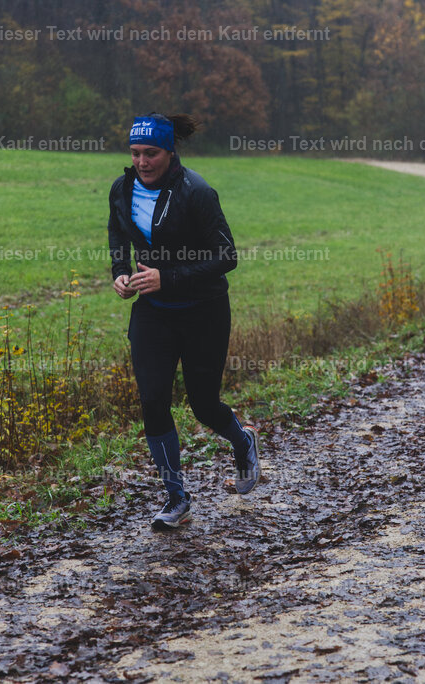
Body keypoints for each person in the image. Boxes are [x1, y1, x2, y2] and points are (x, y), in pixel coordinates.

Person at [107, 112, 260, 531]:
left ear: (170, 151)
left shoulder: (197, 192)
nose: (142, 161)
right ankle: (176, 497)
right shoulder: (122, 189)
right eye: (135, 153)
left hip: (203, 313)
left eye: (151, 153)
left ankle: (242, 440)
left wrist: (168, 277)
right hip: (153, 313)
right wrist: (120, 272)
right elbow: (118, 235)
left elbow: (227, 256)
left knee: (203, 405)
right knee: (152, 400)